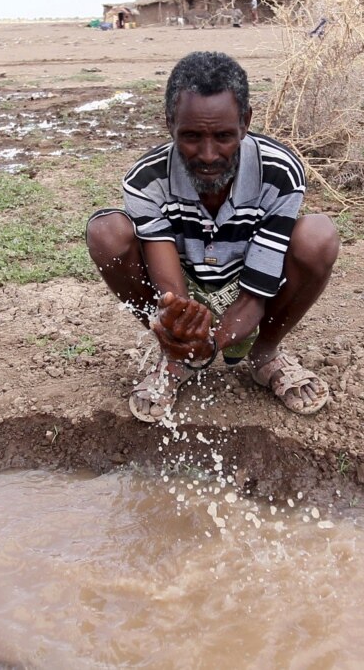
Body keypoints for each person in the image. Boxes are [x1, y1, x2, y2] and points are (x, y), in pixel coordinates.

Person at [86, 51, 339, 423]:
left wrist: (211, 346)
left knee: (318, 235)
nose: (208, 155)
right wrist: (183, 330)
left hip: (252, 286)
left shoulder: (279, 172)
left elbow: (256, 293)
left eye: (223, 136)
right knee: (106, 232)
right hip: (185, 281)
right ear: (169, 123)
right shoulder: (146, 179)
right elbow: (171, 293)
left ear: (246, 122)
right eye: (190, 136)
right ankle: (174, 358)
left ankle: (264, 354)